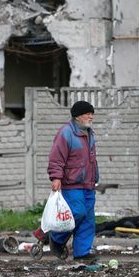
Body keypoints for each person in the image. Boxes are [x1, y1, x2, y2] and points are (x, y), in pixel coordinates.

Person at [47, 100, 99, 262]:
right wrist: (56, 177)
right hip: (72, 184)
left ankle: (82, 252)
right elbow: (56, 158)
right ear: (77, 116)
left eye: (91, 114)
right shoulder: (66, 133)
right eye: (87, 114)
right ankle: (55, 238)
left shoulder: (89, 133)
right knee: (77, 213)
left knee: (88, 219)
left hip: (88, 184)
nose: (90, 117)